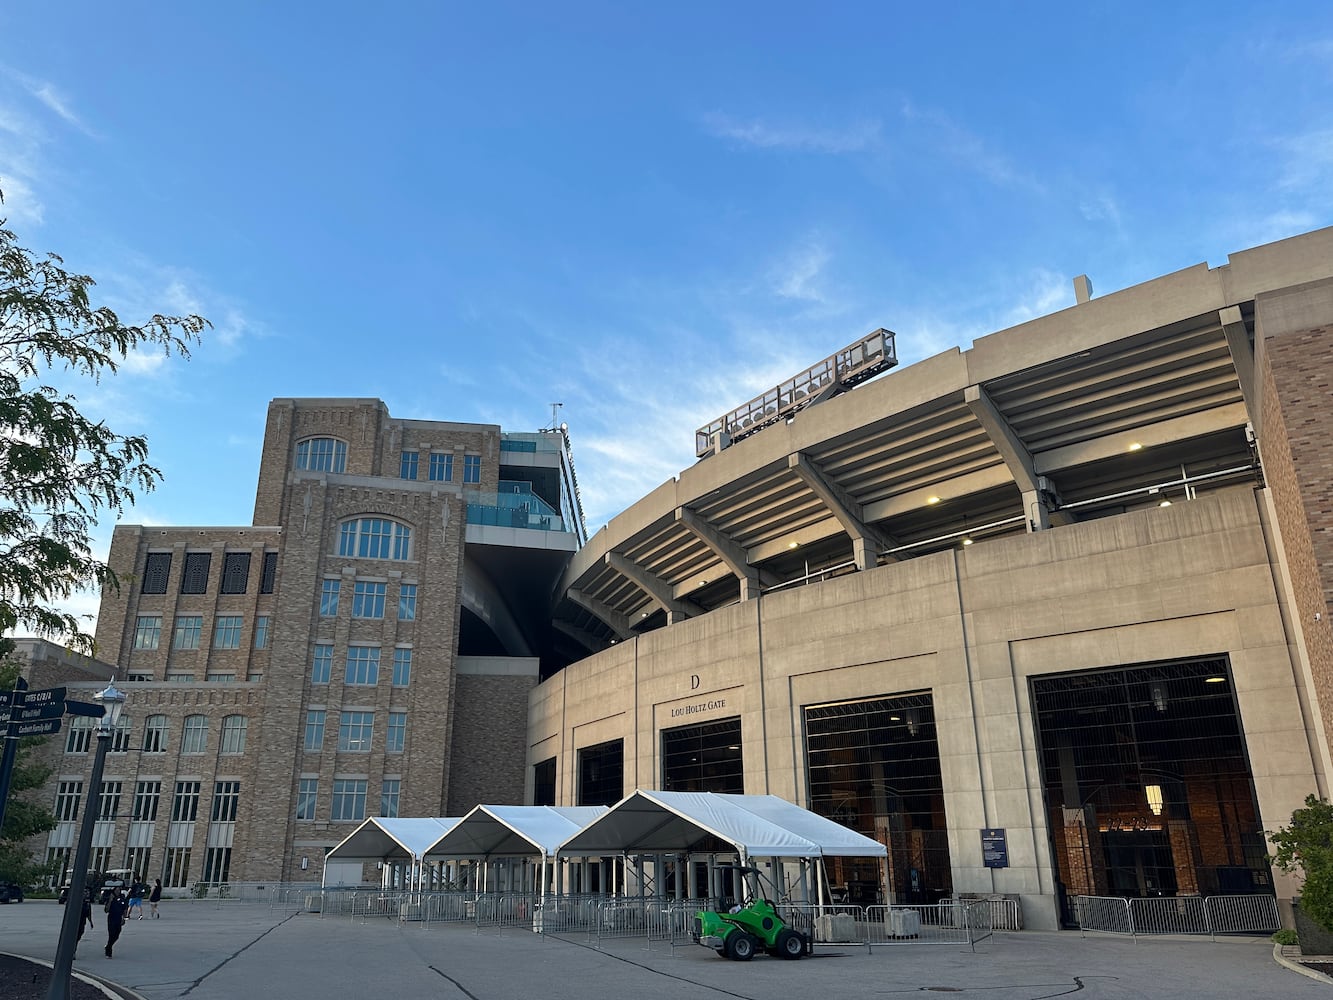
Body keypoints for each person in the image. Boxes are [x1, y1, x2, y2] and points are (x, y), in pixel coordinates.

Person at [104, 889, 127, 958]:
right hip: (111, 918)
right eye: (116, 890)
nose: (118, 892)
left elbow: (124, 909)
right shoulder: (111, 899)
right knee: (111, 934)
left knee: (117, 935)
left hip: (119, 918)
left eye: (119, 890)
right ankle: (108, 951)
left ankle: (108, 945)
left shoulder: (122, 898)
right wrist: (110, 900)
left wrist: (124, 918)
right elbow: (106, 910)